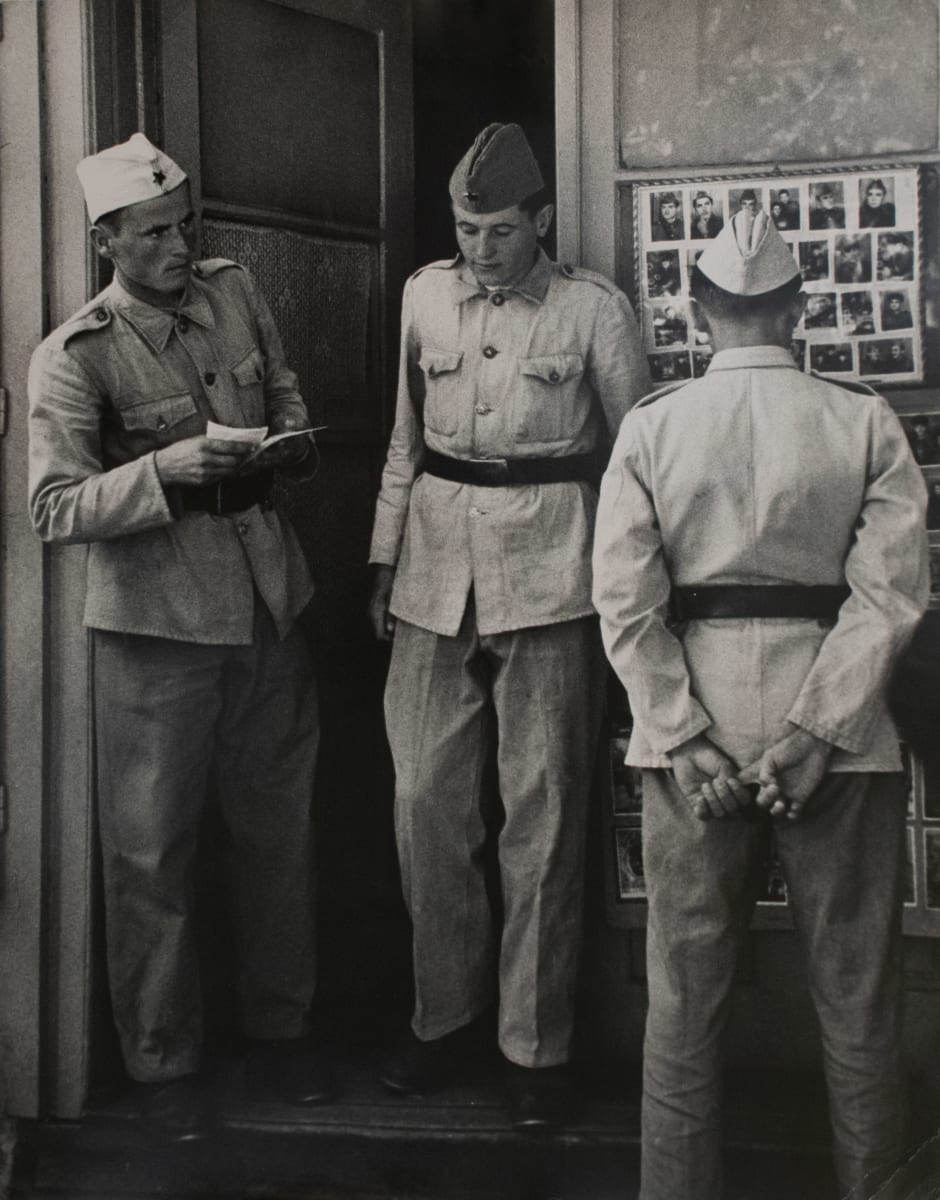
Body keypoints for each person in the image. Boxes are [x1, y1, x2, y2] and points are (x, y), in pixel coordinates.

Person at [593, 207, 928, 1200]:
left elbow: (622, 598)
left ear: (699, 311)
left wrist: (682, 735)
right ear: (796, 307)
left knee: (683, 1007)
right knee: (858, 1003)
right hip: (841, 740)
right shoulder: (861, 418)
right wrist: (814, 734)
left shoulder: (654, 428)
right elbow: (889, 598)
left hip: (692, 739)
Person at [28, 134, 328, 1131]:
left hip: (265, 603)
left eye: (184, 223)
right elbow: (55, 508)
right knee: (152, 853)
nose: (177, 243)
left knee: (277, 836)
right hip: (156, 632)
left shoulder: (232, 291)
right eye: (154, 232)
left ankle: (281, 1038)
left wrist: (287, 441)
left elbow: (279, 386)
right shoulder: (74, 355)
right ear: (105, 240)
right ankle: (164, 1066)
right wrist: (168, 472)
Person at [367, 122, 648, 1129]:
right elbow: (406, 440)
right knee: (424, 806)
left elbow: (634, 463)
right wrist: (383, 557)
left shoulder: (591, 311)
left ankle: (536, 1047)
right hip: (435, 574)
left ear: (540, 220)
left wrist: (624, 590)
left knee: (544, 813)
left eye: (496, 230)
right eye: (463, 227)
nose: (477, 249)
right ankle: (441, 1020)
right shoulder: (422, 295)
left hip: (550, 576)